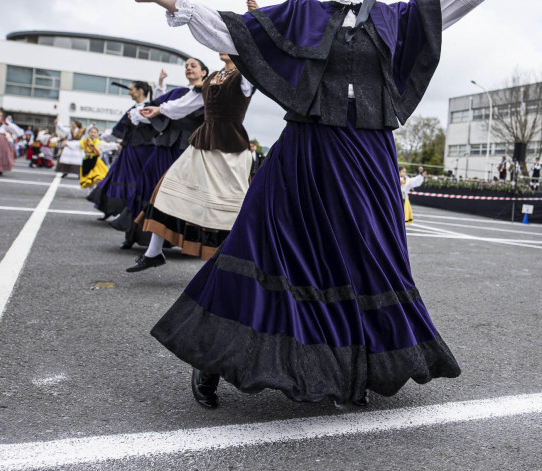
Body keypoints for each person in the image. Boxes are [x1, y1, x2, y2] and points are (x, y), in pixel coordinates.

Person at [137, 0, 479, 409]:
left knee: (366, 256)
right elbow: (232, 32)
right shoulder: (302, 12)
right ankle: (214, 356)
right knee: (263, 248)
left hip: (369, 155)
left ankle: (349, 368)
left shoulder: (394, 16)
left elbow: (450, 6)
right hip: (307, 150)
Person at [129, 52, 254, 271]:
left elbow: (256, 61)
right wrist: (159, 109)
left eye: (230, 40)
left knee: (230, 208)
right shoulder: (213, 76)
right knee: (167, 190)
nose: (222, 46)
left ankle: (233, 263)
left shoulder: (245, 77)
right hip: (201, 142)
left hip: (229, 149)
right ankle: (154, 252)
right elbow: (186, 104)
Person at [112, 59, 208, 251]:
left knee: (180, 194)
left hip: (188, 150)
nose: (188, 68)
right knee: (147, 185)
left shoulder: (208, 95)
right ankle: (133, 234)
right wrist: (140, 113)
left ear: (204, 72)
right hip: (165, 146)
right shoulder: (178, 93)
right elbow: (155, 107)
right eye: (186, 66)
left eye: (193, 66)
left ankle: (175, 239)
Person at [88, 80, 159, 221]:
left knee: (136, 181)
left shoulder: (151, 108)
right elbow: (117, 130)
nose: (129, 92)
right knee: (117, 177)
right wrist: (102, 136)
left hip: (145, 151)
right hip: (130, 150)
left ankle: (131, 212)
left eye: (131, 89)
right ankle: (110, 208)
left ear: (140, 91)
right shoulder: (133, 109)